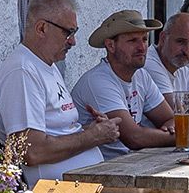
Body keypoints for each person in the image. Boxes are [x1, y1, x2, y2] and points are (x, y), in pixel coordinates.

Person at [0, 0, 120, 171]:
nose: (73, 41)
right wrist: (92, 137)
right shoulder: (22, 72)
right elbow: (30, 151)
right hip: (52, 192)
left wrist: (90, 130)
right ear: (41, 28)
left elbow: (55, 131)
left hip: (77, 184)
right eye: (68, 32)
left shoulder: (45, 65)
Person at [71, 11, 176, 150]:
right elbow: (134, 138)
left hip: (130, 164)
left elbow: (170, 119)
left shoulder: (141, 75)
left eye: (144, 39)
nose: (142, 47)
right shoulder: (98, 80)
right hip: (101, 167)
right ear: (110, 46)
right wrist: (181, 136)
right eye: (133, 40)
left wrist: (172, 130)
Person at [153, 13, 189, 100]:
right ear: (163, 38)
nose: (187, 51)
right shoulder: (150, 63)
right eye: (181, 42)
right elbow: (173, 110)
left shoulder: (180, 67)